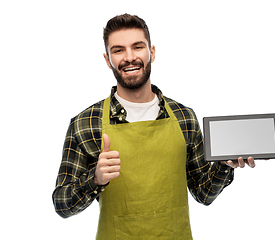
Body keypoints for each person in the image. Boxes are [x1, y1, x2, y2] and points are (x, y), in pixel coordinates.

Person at [52, 13, 257, 239]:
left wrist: (224, 165)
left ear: (152, 52)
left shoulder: (184, 117)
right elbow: (62, 205)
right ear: (107, 59)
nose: (129, 57)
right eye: (118, 50)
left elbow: (203, 193)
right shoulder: (85, 123)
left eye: (137, 47)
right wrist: (95, 178)